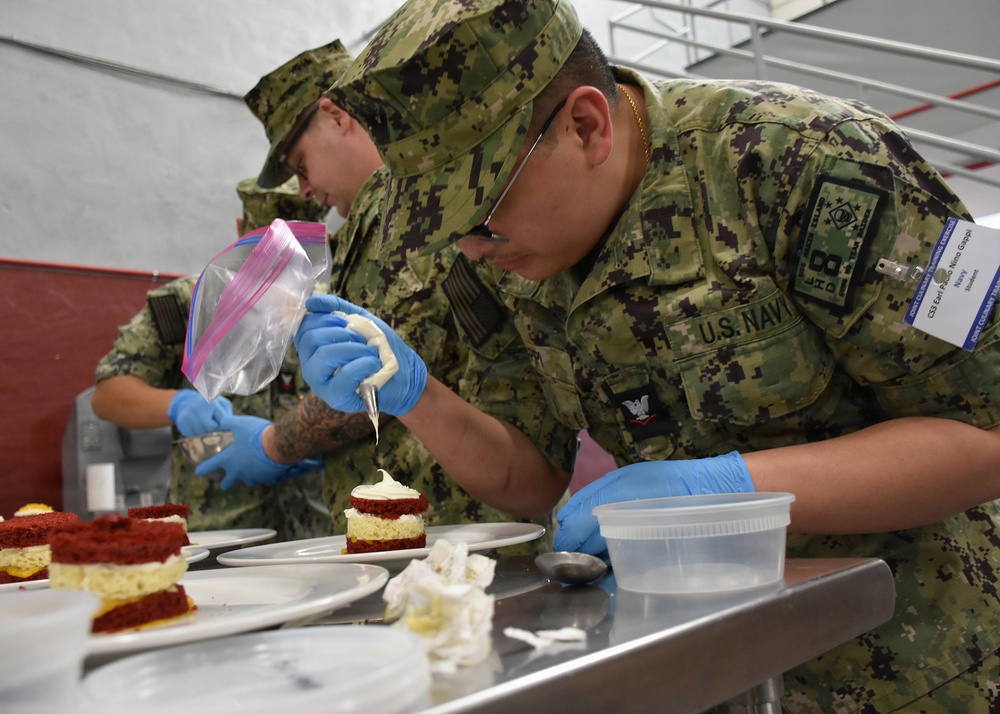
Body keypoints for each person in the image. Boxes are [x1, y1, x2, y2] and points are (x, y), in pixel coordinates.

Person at [293, 0, 1000, 710]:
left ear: (586, 126)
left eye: (477, 215)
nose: (468, 249)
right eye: (444, 229)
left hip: (918, 660)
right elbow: (533, 475)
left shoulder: (806, 162)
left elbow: (987, 436)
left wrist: (724, 491)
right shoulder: (503, 261)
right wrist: (417, 395)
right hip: (706, 671)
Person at [206, 39, 561, 543]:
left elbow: (372, 377)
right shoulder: (368, 225)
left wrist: (271, 444)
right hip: (410, 533)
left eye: (300, 164)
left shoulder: (406, 206)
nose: (303, 190)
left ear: (335, 115)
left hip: (459, 533)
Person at [92, 176, 332, 542]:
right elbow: (109, 394)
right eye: (266, 247)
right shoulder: (190, 304)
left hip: (312, 534)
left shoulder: (324, 308)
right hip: (215, 534)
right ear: (240, 231)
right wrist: (179, 404)